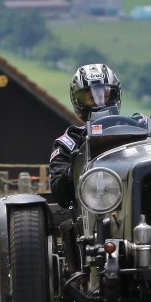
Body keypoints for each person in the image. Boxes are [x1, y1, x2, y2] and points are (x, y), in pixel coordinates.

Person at [48, 63, 122, 207]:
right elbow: (59, 193)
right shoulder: (69, 142)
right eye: (91, 97)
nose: (99, 102)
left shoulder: (134, 131)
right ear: (78, 101)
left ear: (115, 95)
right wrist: (76, 167)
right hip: (92, 209)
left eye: (105, 95)